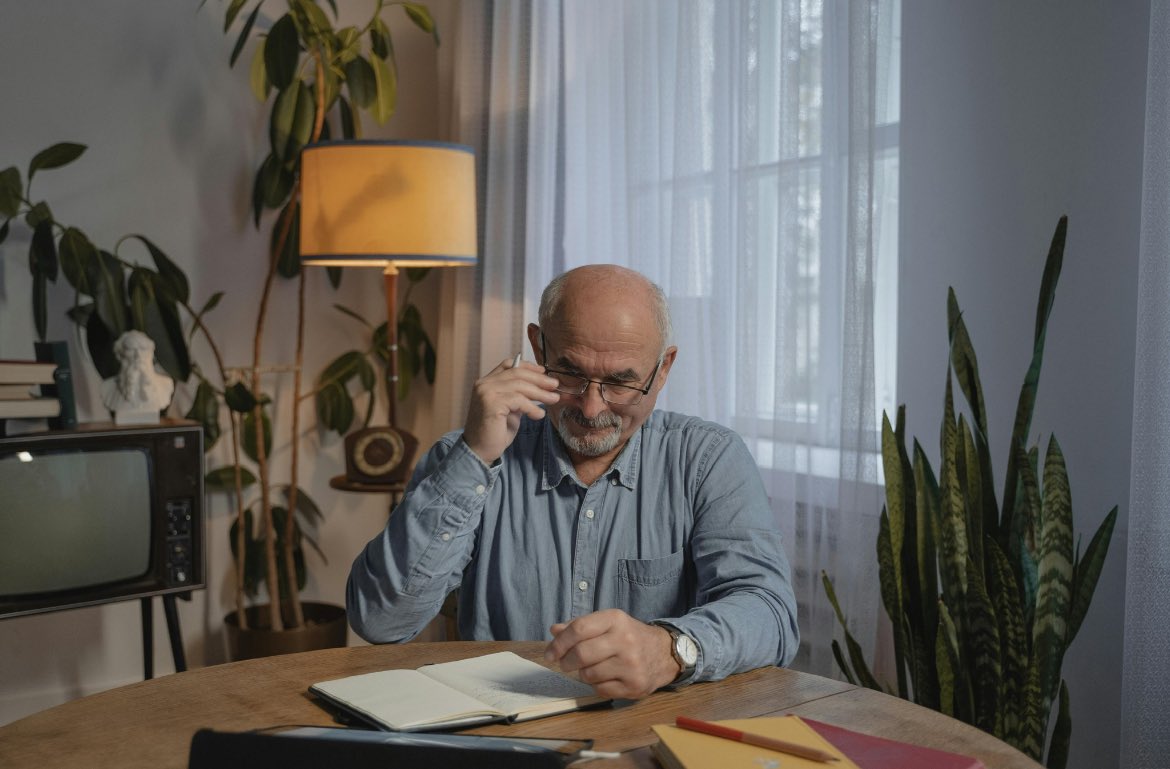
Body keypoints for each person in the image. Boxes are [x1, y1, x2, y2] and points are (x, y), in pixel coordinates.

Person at [347, 264, 798, 699]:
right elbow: (380, 622)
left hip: (649, 737)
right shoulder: (463, 458)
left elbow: (770, 612)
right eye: (571, 374)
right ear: (537, 349)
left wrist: (671, 649)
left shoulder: (707, 459)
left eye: (621, 383)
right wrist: (475, 457)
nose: (590, 407)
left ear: (662, 370)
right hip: (504, 743)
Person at [100, 330, 174, 423]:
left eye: (143, 349)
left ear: (151, 353)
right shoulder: (107, 387)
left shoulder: (166, 384)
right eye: (131, 349)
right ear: (120, 355)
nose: (138, 355)